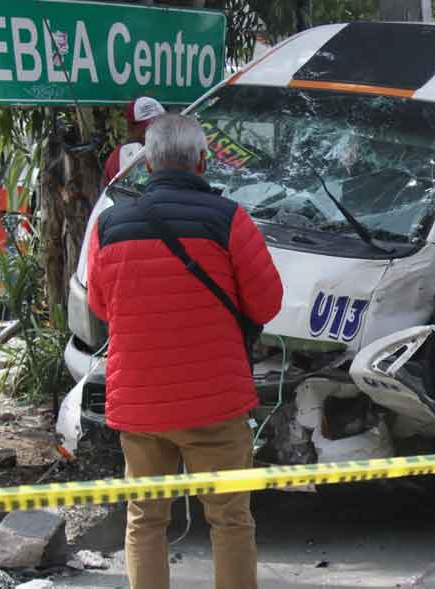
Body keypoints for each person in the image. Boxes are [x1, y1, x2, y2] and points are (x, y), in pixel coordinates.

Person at [86, 114, 283, 589]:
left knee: (145, 520)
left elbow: (99, 304)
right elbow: (267, 302)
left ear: (148, 162)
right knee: (230, 520)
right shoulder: (228, 220)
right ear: (202, 160)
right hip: (215, 403)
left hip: (140, 405)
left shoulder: (109, 226)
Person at [103, 96, 166, 187]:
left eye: (162, 125)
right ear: (131, 128)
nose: (157, 132)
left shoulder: (172, 152)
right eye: (148, 128)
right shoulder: (118, 158)